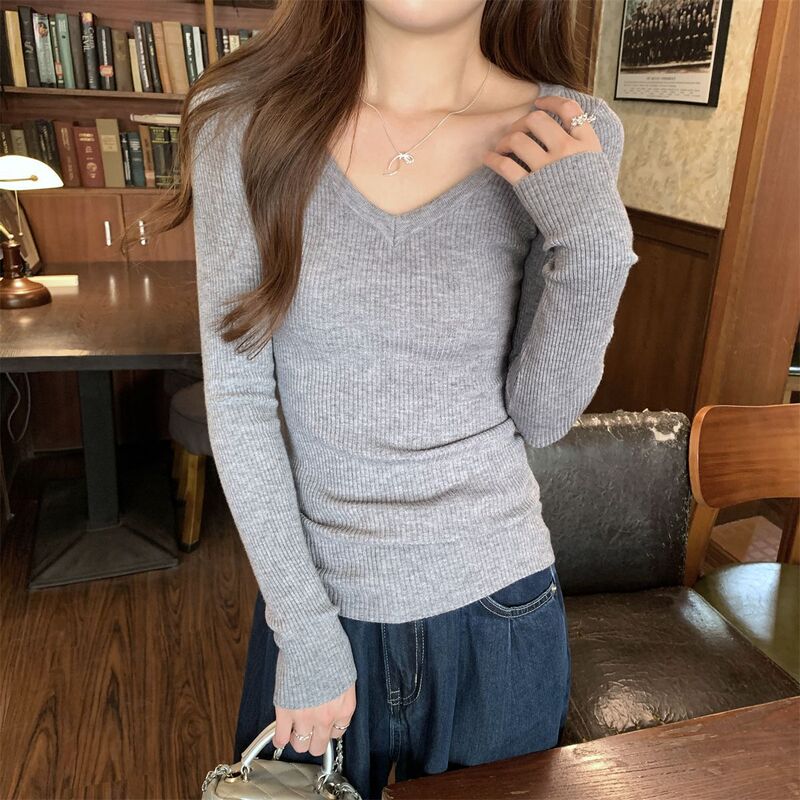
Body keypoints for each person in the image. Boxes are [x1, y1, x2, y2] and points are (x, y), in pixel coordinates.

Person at [146, 1, 638, 797]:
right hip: (316, 609)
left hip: (501, 610)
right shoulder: (239, 119)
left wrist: (596, 247)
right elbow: (238, 394)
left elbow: (542, 418)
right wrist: (305, 630)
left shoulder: (567, 130)